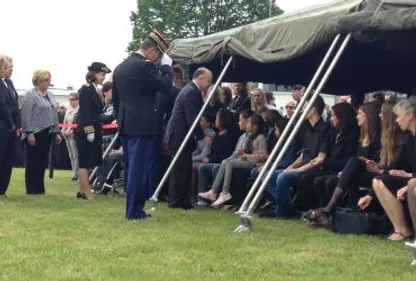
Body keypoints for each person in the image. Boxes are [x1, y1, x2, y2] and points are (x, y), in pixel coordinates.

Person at [113, 28, 173, 219]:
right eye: (158, 55)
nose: (157, 59)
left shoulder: (120, 67)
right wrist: (166, 67)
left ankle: (133, 209)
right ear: (153, 50)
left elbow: (115, 99)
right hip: (142, 124)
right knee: (139, 170)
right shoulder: (143, 66)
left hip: (126, 123)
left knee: (132, 168)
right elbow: (165, 86)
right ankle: (134, 212)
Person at [164, 68, 213, 209]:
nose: (209, 84)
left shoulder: (190, 90)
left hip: (181, 134)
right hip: (180, 135)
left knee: (184, 167)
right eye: (209, 81)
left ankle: (183, 200)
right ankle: (176, 200)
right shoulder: (191, 92)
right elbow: (192, 118)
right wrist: (203, 137)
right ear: (201, 78)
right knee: (179, 168)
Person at [372, 97, 416, 241]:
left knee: (411, 186)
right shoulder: (409, 139)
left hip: (412, 179)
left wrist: (410, 175)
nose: (396, 120)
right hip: (411, 179)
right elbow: (396, 165)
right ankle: (401, 229)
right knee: (378, 181)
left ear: (410, 116)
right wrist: (381, 170)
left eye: (399, 116)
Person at [199, 115, 267, 206]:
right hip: (245, 160)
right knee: (225, 162)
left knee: (229, 163)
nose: (246, 125)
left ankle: (225, 192)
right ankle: (214, 191)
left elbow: (262, 156)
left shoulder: (260, 138)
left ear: (254, 126)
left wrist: (246, 156)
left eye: (248, 123)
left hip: (255, 164)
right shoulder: (247, 137)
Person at [21, 69, 61, 194]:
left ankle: (39, 188)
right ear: (38, 81)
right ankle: (32, 189)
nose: (49, 83)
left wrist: (56, 132)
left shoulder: (50, 95)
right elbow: (26, 115)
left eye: (49, 80)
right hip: (35, 132)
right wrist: (29, 133)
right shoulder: (30, 94)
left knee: (42, 161)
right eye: (46, 80)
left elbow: (54, 114)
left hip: (48, 132)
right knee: (33, 161)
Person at [76, 62, 112, 200]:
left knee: (89, 161)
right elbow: (85, 112)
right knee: (84, 162)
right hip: (87, 131)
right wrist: (89, 130)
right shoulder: (85, 89)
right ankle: (85, 191)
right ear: (95, 74)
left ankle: (84, 190)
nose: (104, 77)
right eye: (102, 74)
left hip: (94, 129)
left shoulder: (94, 89)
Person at [0, 56, 20, 197]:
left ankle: (2, 189)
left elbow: (14, 104)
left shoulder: (10, 83)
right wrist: (10, 123)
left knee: (8, 159)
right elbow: (3, 105)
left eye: (12, 67)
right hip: (2, 126)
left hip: (11, 128)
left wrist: (17, 124)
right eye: (8, 67)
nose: (11, 70)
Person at [62, 92, 79, 181]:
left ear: (77, 100)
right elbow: (64, 123)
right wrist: (63, 132)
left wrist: (71, 131)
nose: (71, 101)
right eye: (69, 99)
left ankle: (76, 174)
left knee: (76, 154)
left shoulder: (79, 110)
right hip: (67, 135)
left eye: (72, 99)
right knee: (71, 154)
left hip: (74, 135)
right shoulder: (68, 110)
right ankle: (74, 172)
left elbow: (77, 124)